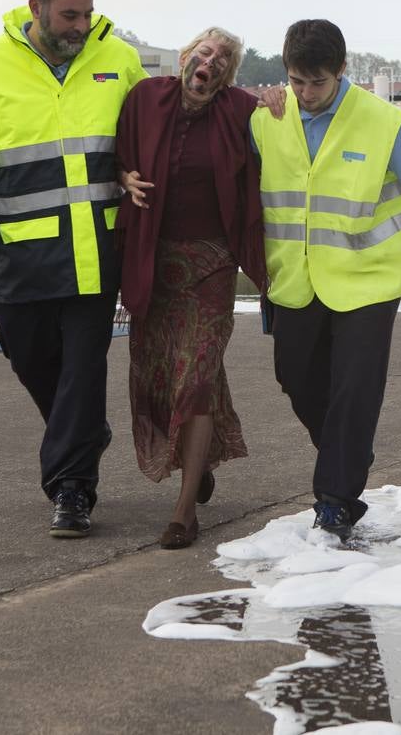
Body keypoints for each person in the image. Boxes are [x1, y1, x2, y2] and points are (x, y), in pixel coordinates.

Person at [0, 0, 146, 538]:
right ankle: (85, 435)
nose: (80, 27)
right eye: (69, 15)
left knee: (82, 371)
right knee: (28, 356)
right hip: (23, 256)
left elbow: (156, 134)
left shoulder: (117, 59)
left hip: (98, 253)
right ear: (36, 7)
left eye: (87, 15)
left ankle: (71, 488)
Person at [250, 19, 401, 542]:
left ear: (342, 71)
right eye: (296, 81)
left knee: (354, 390)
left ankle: (335, 501)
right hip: (295, 280)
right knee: (295, 379)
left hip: (369, 280)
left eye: (316, 82)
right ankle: (350, 451)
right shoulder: (268, 118)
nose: (305, 93)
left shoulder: (382, 122)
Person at [115, 27, 281, 549]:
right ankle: (199, 462)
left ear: (228, 76)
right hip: (155, 263)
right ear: (186, 58)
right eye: (205, 52)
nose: (212, 62)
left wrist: (277, 98)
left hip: (212, 266)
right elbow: (116, 153)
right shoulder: (144, 98)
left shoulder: (238, 110)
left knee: (197, 378)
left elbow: (283, 115)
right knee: (164, 377)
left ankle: (185, 510)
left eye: (224, 59)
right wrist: (124, 179)